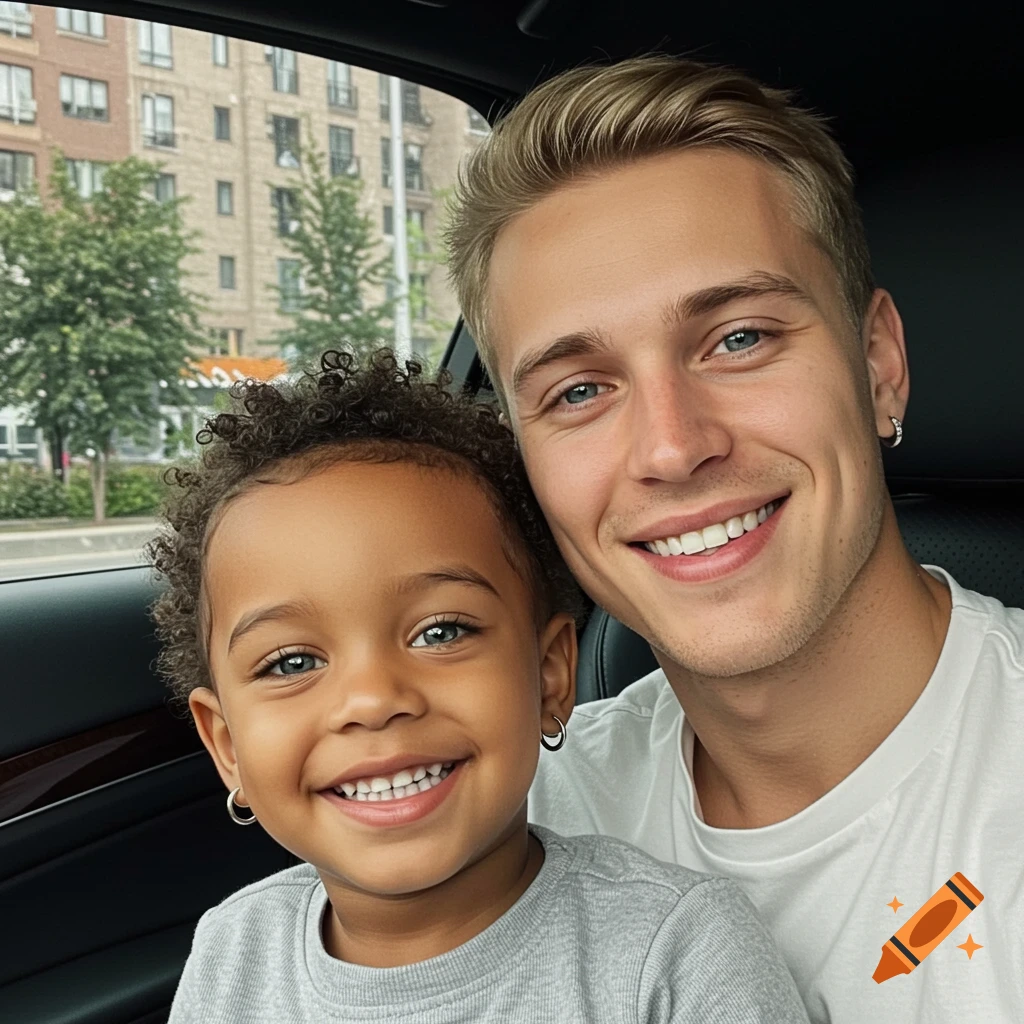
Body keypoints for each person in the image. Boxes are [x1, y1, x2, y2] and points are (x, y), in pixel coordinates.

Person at [445, 55, 1024, 1023]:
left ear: (878, 365)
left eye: (739, 338)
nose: (672, 447)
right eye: (579, 391)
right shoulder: (518, 820)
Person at [147, 351, 809, 1024]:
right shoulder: (234, 953)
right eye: (290, 663)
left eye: (441, 632)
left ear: (550, 675)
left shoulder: (676, 951)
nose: (373, 700)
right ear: (226, 745)